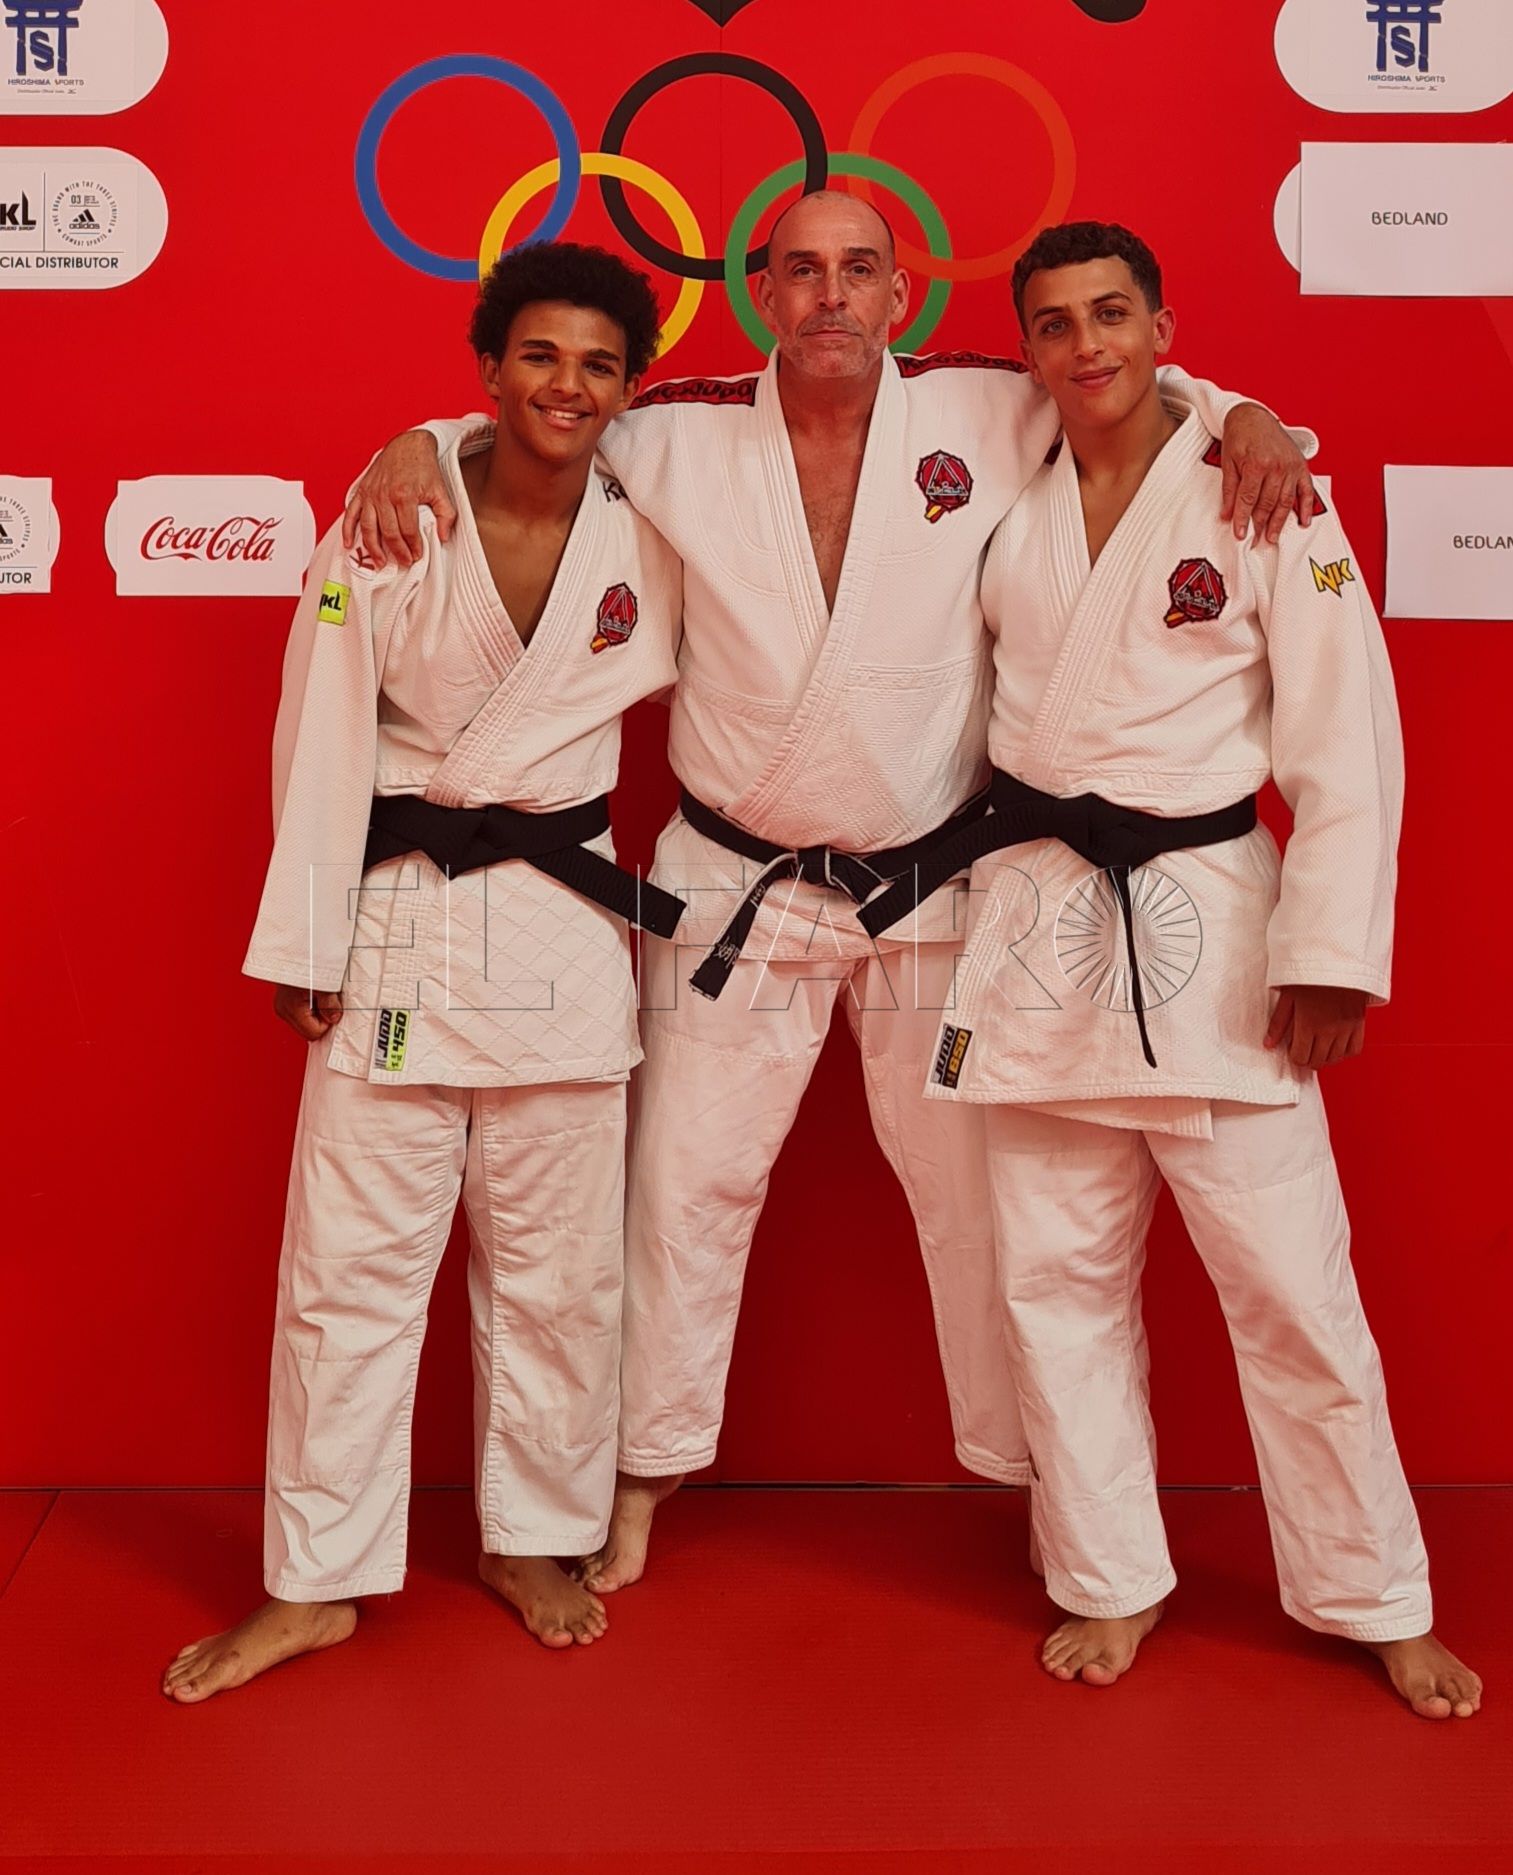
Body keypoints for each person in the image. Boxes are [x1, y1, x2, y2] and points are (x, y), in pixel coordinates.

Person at [347, 190, 1313, 1594]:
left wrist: (1248, 414)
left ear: (901, 294)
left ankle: (1037, 1481)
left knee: (979, 1205)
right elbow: (533, 418)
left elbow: (1132, 390)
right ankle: (644, 1471)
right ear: (762, 292)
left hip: (932, 887)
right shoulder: (678, 430)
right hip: (732, 884)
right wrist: (418, 444)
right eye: (801, 272)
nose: (830, 297)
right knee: (682, 1189)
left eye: (859, 270)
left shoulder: (988, 407)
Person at [860, 220, 1481, 1719]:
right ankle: (1109, 1575)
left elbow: (1346, 737)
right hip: (1034, 920)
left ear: (1162, 326)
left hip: (1212, 925)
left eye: (1113, 314)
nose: (1088, 346)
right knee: (1054, 1281)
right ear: (1027, 350)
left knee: (1293, 1293)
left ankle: (1373, 1595)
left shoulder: (1260, 490)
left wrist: (1329, 952)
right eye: (1056, 323)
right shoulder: (1003, 487)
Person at [161, 242, 685, 1702]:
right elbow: (320, 722)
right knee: (346, 1276)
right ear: (489, 369)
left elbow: (790, 439)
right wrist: (306, 934)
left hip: (563, 932)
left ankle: (535, 1538)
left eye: (596, 364)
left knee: (562, 1275)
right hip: (401, 919)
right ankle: (313, 1580)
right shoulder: (391, 522)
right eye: (538, 355)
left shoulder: (654, 530)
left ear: (627, 389)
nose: (566, 385)